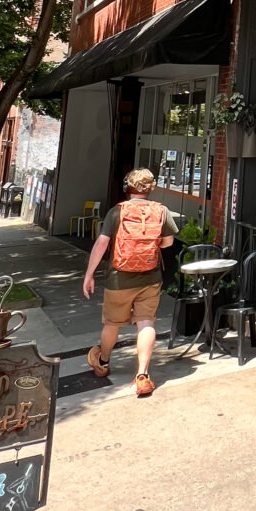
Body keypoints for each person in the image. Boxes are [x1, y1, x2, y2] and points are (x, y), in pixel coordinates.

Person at [82, 168, 177, 397]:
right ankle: (142, 375)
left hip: (118, 279)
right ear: (150, 188)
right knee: (146, 323)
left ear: (128, 187)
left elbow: (102, 243)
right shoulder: (162, 211)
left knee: (112, 324)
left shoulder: (117, 212)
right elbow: (167, 243)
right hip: (150, 278)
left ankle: (103, 361)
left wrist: (89, 274)